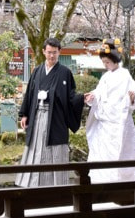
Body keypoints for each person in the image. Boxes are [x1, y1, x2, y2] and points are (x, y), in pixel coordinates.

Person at [17, 37, 84, 187]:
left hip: (55, 119)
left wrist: (82, 99)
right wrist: (24, 114)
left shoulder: (65, 72)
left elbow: (71, 95)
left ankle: (56, 184)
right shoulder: (37, 71)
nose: (51, 56)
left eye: (54, 52)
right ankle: (33, 183)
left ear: (59, 52)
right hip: (36, 116)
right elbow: (30, 93)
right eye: (49, 52)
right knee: (35, 147)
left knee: (55, 149)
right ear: (43, 52)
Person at [83, 38, 135, 183]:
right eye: (104, 63)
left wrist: (132, 98)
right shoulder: (105, 77)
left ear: (115, 60)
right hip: (104, 122)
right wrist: (93, 96)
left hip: (118, 121)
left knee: (120, 152)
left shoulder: (124, 75)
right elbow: (99, 93)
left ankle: (121, 182)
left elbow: (133, 92)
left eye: (107, 62)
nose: (106, 65)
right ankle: (101, 182)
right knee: (102, 154)